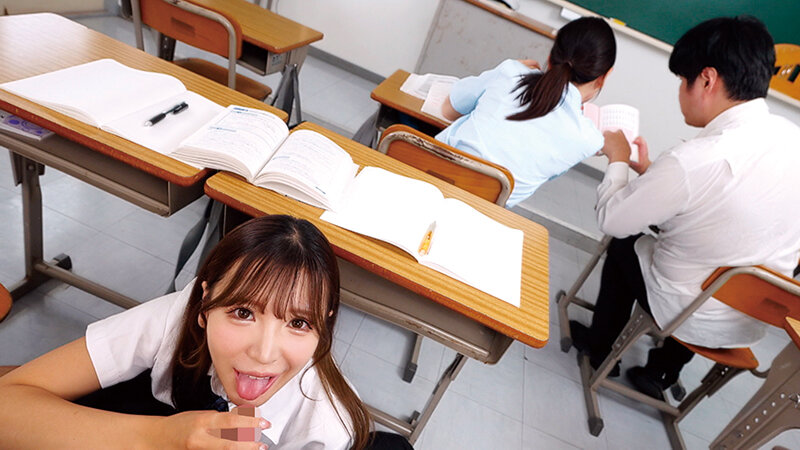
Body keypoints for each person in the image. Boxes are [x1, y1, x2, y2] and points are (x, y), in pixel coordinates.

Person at [570, 16, 800, 399]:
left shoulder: (693, 161)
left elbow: (612, 219)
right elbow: (724, 208)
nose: (680, 91)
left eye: (682, 80)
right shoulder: (792, 140)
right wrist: (652, 175)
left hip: (689, 315)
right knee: (719, 259)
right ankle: (662, 372)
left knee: (625, 243)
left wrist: (618, 159)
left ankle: (599, 346)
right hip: (751, 322)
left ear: (707, 80)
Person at [0, 215, 373, 449]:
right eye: (243, 313)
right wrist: (161, 437)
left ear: (325, 323)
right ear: (205, 303)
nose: (264, 353)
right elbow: (8, 405)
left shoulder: (326, 426)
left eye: (299, 323)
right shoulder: (175, 316)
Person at [435, 16, 616, 208]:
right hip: (479, 214)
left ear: (550, 57)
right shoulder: (588, 140)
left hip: (426, 180)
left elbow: (448, 110)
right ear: (603, 78)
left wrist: (513, 67)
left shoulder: (511, 72)